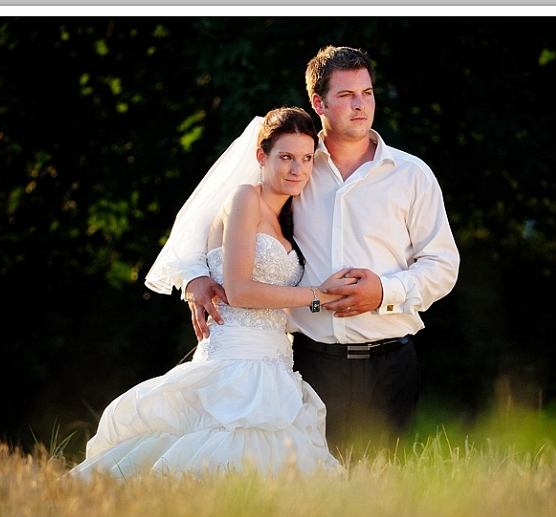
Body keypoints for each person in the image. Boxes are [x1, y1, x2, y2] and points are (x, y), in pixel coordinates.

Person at [186, 46, 461, 455]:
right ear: (319, 103)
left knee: (383, 493)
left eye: (366, 93)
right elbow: (208, 218)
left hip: (392, 361)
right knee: (315, 495)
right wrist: (195, 276)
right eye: (347, 95)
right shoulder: (294, 163)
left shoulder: (412, 175)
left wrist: (385, 291)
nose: (360, 104)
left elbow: (443, 265)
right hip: (312, 363)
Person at [69, 107, 351, 479]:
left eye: (305, 159)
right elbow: (238, 290)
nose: (297, 169)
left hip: (277, 364)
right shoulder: (245, 198)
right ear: (260, 157)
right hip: (235, 361)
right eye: (285, 157)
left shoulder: (288, 220)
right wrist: (319, 295)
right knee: (217, 462)